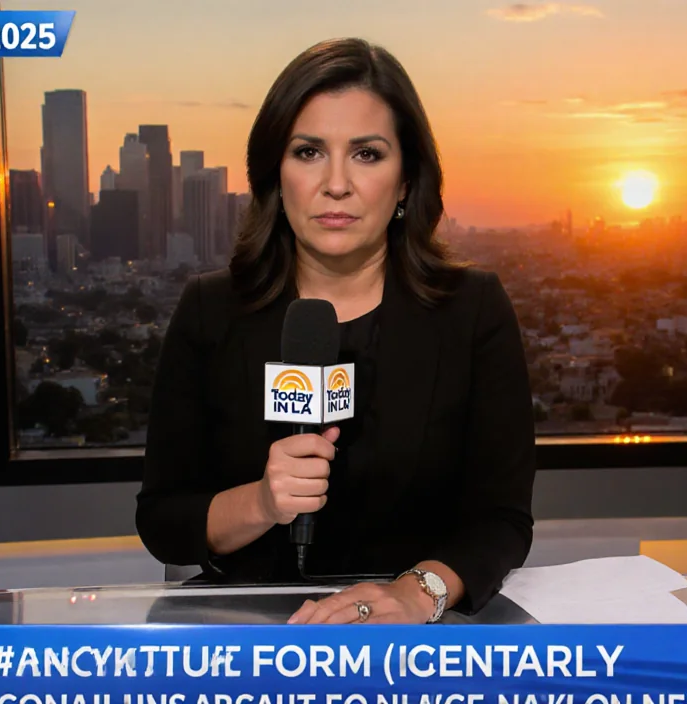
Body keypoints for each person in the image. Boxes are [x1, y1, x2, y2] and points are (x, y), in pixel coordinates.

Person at [136, 37, 536, 625]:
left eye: (367, 154)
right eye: (309, 152)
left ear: (406, 181)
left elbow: (502, 520)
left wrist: (416, 594)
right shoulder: (210, 309)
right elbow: (163, 522)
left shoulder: (472, 309)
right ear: (276, 174)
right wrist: (262, 501)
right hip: (251, 634)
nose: (337, 183)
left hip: (418, 636)